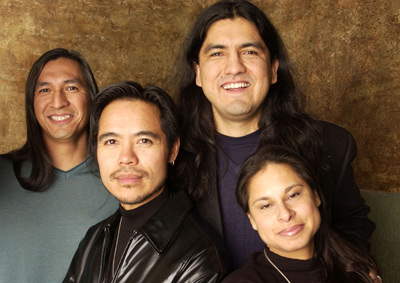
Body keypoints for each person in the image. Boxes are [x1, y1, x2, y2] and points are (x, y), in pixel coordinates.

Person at [173, 0, 375, 269]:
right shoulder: (171, 155)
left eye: (250, 52)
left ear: (273, 69)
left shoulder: (330, 145)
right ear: (197, 73)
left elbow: (353, 231)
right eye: (217, 54)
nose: (234, 67)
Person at [64, 81, 229, 282]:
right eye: (111, 142)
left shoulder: (200, 255)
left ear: (172, 149)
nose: (126, 157)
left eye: (144, 141)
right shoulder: (94, 239)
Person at [0, 48, 118, 282]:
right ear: (31, 103)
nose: (58, 102)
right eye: (45, 90)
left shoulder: (122, 180)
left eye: (71, 88)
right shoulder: (2, 176)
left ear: (91, 96)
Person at [222, 145, 381, 283]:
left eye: (293, 195)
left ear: (316, 196)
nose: (285, 214)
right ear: (252, 220)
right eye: (266, 205)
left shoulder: (356, 269)